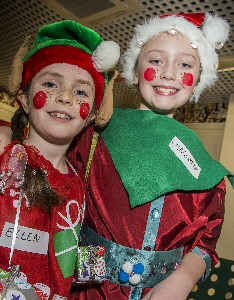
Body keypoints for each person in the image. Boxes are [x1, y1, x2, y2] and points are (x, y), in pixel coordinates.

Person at [68, 13, 234, 300]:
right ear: (134, 72)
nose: (168, 73)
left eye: (184, 64)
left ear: (197, 83)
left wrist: (182, 279)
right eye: (155, 60)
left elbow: (205, 244)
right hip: (84, 291)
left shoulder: (206, 169)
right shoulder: (94, 135)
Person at [0, 20, 119, 299]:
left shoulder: (79, 183)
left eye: (80, 92)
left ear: (91, 115)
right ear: (25, 99)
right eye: (51, 84)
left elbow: (67, 262)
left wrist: (126, 264)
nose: (65, 97)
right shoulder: (4, 155)